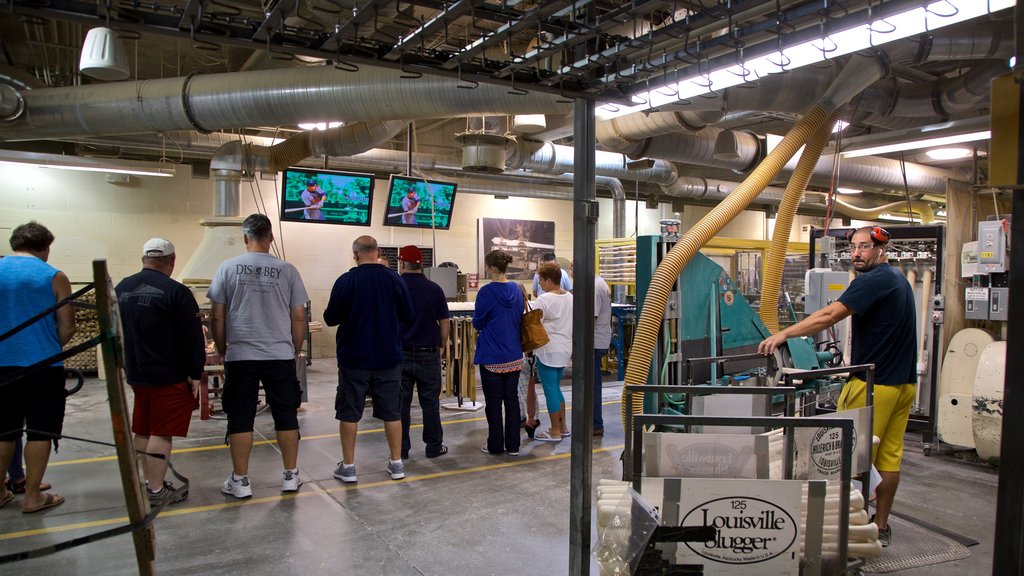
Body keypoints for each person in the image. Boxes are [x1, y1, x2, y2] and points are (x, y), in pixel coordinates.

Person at [757, 226, 915, 548]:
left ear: (882, 250)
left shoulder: (875, 280)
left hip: (873, 385)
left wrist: (784, 335)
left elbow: (829, 315)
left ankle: (840, 532)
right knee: (887, 459)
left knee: (840, 456)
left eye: (865, 247)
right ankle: (879, 527)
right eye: (853, 248)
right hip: (903, 385)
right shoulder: (899, 280)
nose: (857, 253)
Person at [209, 214, 308, 499]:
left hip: (241, 355)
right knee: (285, 414)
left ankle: (240, 481)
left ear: (244, 237)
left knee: (240, 417)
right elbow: (299, 316)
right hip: (279, 354)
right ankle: (291, 475)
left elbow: (217, 315)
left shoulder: (227, 268)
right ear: (271, 238)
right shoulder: (287, 270)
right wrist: (295, 350)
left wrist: (222, 348)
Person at [115, 238, 206, 506]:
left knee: (143, 428)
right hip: (169, 373)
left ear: (143, 258)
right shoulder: (176, 292)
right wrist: (194, 372)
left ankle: (145, 483)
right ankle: (156, 490)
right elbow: (192, 338)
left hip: (136, 371)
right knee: (161, 432)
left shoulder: (122, 288)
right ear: (172, 260)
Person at [324, 235, 414, 482]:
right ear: (378, 251)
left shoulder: (346, 281)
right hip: (388, 357)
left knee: (349, 412)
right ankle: (396, 463)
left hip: (354, 358)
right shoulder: (395, 279)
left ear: (355, 255)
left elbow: (330, 318)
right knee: (392, 412)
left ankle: (349, 467)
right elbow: (408, 314)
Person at [0, 222, 75, 513]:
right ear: (45, 247)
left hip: (2, 365)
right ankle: (32, 495)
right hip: (43, 365)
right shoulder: (53, 276)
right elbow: (67, 326)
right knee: (41, 430)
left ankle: (1, 491)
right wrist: (44, 344)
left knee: (4, 430)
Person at [396, 245, 451, 459]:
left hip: (400, 353)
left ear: (401, 263)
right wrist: (442, 345)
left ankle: (401, 450)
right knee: (430, 403)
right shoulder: (434, 288)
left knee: (401, 405)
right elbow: (444, 322)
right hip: (429, 353)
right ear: (422, 265)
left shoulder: (396, 287)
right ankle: (434, 446)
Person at [474, 250, 525, 455]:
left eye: (487, 267)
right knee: (511, 400)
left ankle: (495, 445)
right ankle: (513, 446)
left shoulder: (486, 292)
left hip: (492, 356)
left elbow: (478, 322)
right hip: (514, 354)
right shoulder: (517, 289)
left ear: (493, 268)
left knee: (493, 403)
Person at [531, 263, 573, 441]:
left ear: (548, 280)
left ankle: (554, 431)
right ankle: (563, 427)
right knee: (556, 388)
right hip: (565, 348)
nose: (539, 284)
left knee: (550, 390)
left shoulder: (544, 299)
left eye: (540, 280)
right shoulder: (570, 297)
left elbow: (532, 322)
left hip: (548, 350)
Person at [593, 274, 612, 437]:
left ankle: (595, 424)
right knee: (593, 384)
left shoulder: (594, 286)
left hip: (594, 342)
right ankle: (593, 423)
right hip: (597, 340)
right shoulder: (598, 283)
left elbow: (590, 317)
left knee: (592, 386)